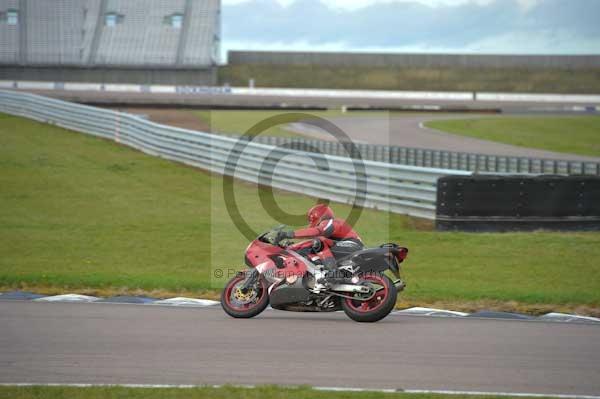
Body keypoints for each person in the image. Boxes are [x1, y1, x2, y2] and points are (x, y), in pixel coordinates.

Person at [276, 204, 364, 291]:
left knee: (319, 242)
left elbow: (317, 232)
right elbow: (309, 242)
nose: (311, 222)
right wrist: (290, 248)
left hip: (352, 245)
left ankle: (333, 272)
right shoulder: (327, 229)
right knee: (313, 245)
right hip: (342, 246)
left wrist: (289, 234)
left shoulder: (331, 222)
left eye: (311, 219)